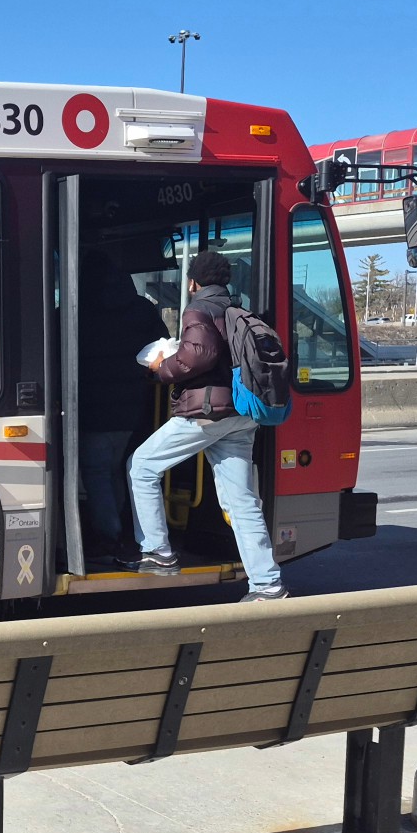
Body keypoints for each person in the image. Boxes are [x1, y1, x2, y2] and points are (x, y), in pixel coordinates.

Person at [126, 249, 288, 601]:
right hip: (243, 415)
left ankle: (158, 551)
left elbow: (198, 356)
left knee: (141, 465)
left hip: (207, 414)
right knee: (242, 502)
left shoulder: (199, 309)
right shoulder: (237, 310)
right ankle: (267, 584)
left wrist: (160, 369)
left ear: (194, 281)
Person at [74, 251, 164, 566]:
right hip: (132, 405)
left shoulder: (78, 310)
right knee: (114, 470)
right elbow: (163, 345)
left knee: (97, 472)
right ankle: (121, 528)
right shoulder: (141, 309)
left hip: (92, 407)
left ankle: (109, 535)